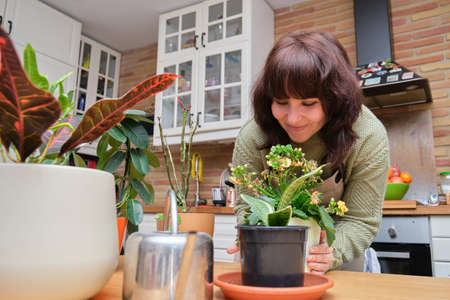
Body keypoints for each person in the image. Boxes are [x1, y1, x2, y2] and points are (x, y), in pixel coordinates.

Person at [229, 31, 390, 274]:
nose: (293, 119)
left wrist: (329, 254)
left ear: (336, 98)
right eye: (281, 102)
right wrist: (252, 237)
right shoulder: (253, 136)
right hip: (268, 253)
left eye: (309, 103)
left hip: (338, 258)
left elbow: (360, 220)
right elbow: (247, 207)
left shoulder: (367, 134)